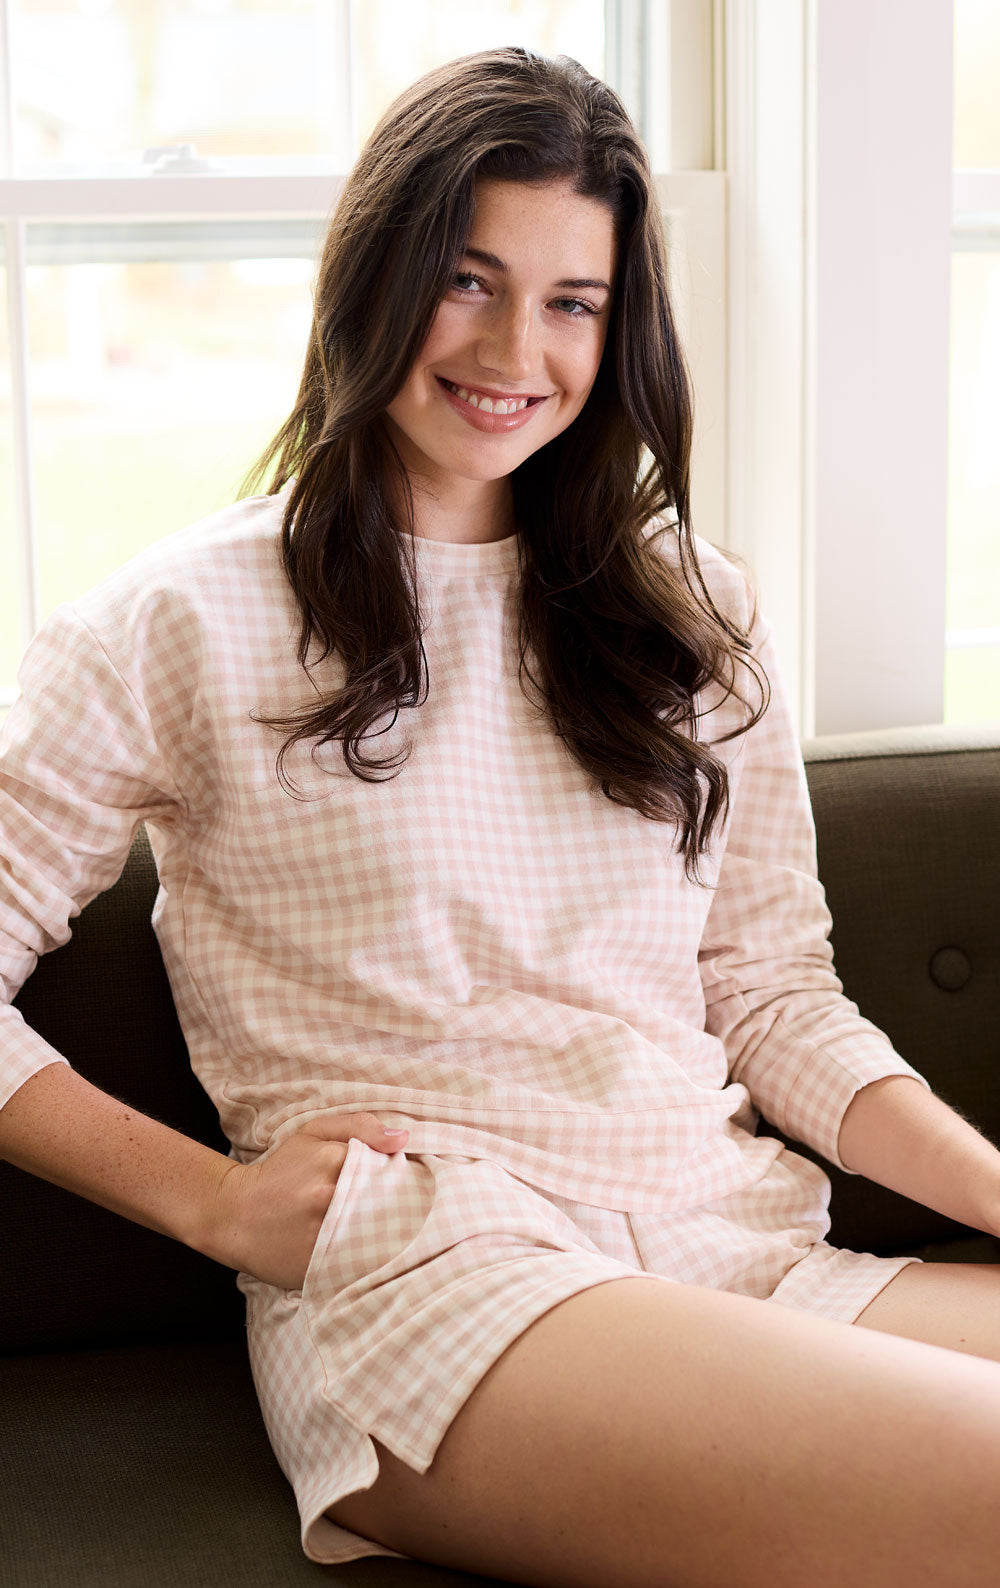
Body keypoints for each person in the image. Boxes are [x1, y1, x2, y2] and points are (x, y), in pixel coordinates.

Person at [2, 44, 1000, 1588]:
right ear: (377, 278)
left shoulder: (690, 613)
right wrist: (213, 1206)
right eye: (467, 281)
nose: (513, 347)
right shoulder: (186, 617)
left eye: (571, 301)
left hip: (725, 1238)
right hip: (435, 1279)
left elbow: (771, 996)